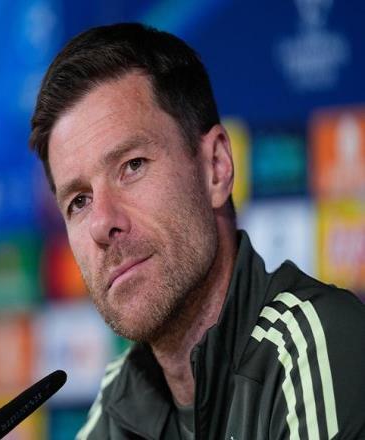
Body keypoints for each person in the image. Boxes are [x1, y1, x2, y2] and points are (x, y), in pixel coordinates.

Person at [29, 23, 365, 440]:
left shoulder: (314, 347)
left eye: (132, 166)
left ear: (215, 168)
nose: (101, 222)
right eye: (79, 201)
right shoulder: (118, 404)